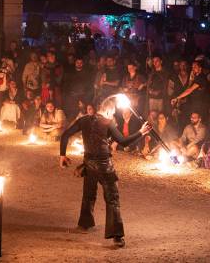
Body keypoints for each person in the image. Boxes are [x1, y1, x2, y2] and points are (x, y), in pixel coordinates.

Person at [59, 98, 153, 248]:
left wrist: (62, 155)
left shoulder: (83, 120)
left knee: (89, 194)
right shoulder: (108, 122)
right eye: (113, 112)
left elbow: (64, 135)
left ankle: (85, 224)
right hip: (104, 166)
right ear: (108, 110)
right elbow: (123, 142)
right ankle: (117, 236)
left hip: (89, 164)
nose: (113, 115)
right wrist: (141, 132)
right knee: (112, 200)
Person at [171, 61, 210, 126]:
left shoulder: (201, 78)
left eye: (195, 67)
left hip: (200, 105)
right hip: (195, 104)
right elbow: (189, 88)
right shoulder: (195, 78)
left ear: (200, 68)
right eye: (192, 67)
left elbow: (189, 90)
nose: (193, 69)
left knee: (199, 122)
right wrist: (191, 80)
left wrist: (177, 98)